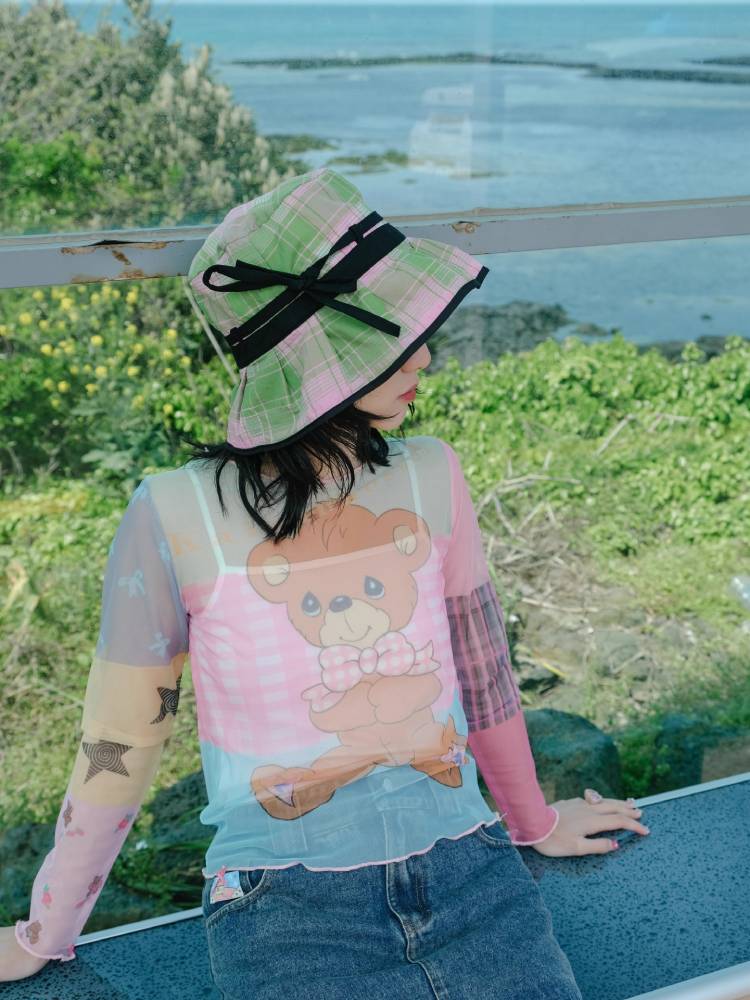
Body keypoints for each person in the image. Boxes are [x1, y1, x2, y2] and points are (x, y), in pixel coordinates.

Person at [0, 167, 649, 995]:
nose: (424, 357)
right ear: (316, 361)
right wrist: (45, 930)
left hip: (472, 869)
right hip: (283, 903)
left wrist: (534, 822)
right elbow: (120, 741)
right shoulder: (170, 514)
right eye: (391, 340)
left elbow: (483, 671)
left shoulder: (434, 473)